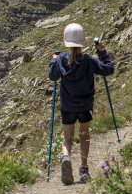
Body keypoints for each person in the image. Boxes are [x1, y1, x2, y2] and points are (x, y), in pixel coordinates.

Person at [48, 22, 115, 184]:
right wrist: (102, 52)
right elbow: (108, 69)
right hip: (85, 106)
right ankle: (84, 169)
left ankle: (65, 157)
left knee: (68, 138)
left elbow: (52, 76)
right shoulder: (89, 60)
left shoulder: (61, 60)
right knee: (84, 136)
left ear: (66, 41)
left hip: (67, 107)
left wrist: (53, 61)